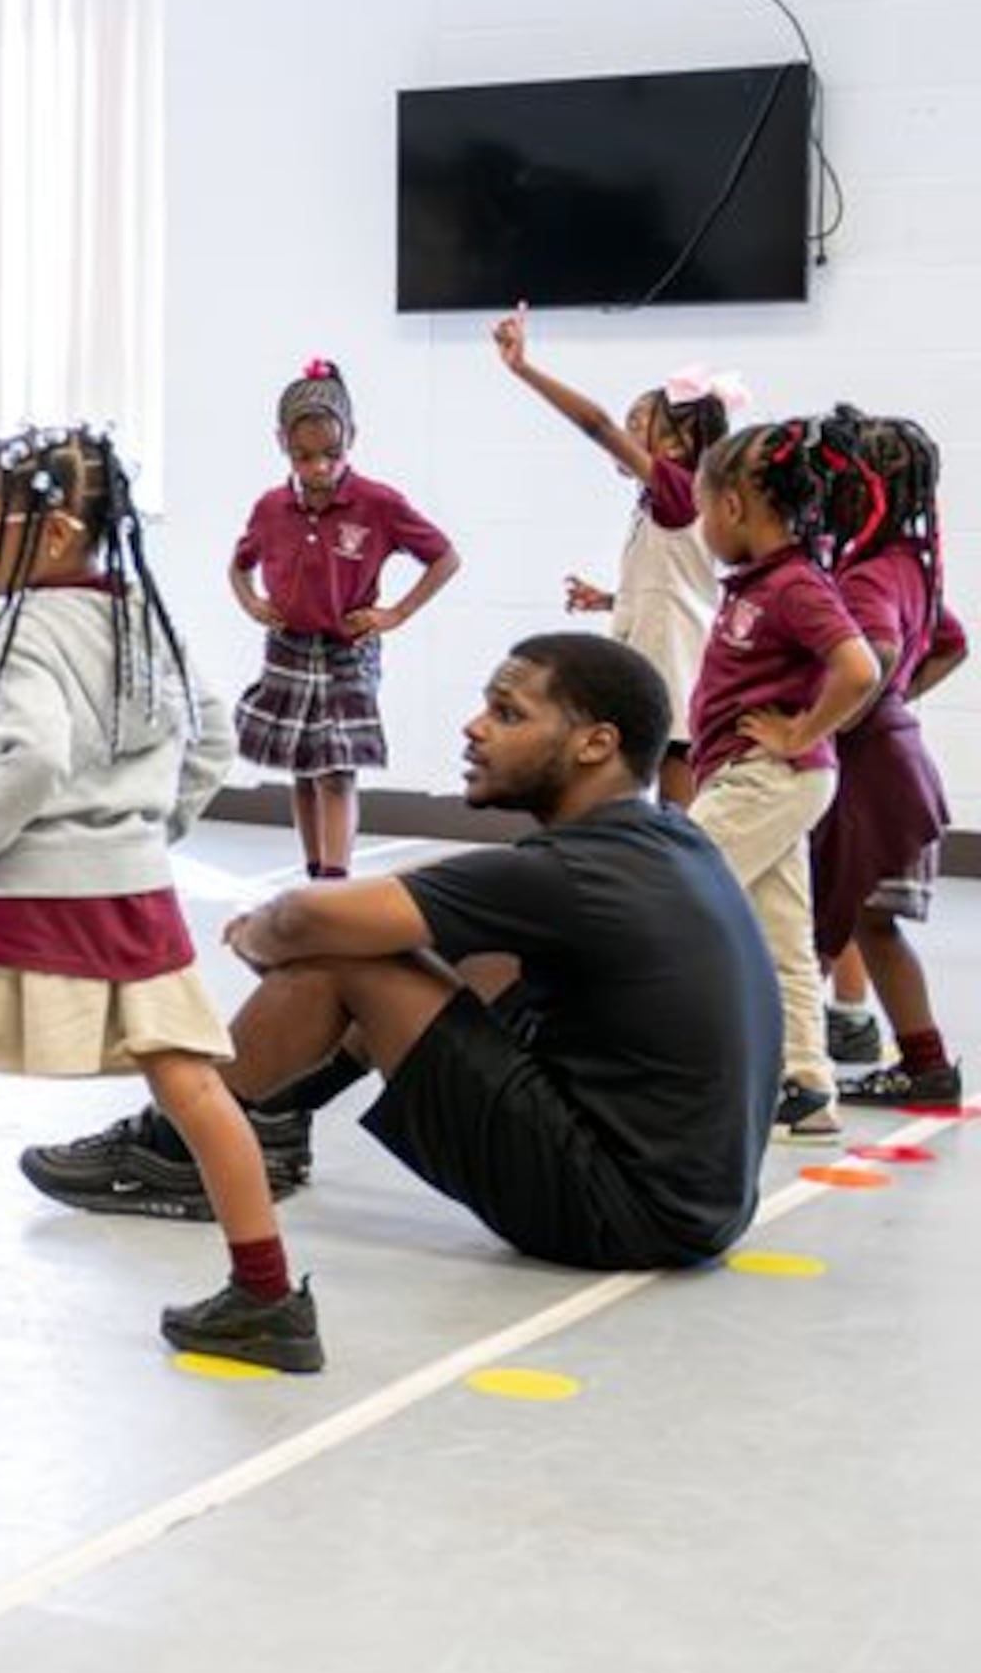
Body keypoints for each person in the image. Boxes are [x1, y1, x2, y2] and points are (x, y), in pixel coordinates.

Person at [0, 426, 316, 1371]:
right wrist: (154, 829)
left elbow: (30, 753)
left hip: (24, 893)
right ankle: (267, 1294)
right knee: (194, 1083)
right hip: (134, 893)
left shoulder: (19, 627)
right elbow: (210, 732)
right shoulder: (143, 614)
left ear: (50, 533)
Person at [71, 636, 782, 1269]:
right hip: (701, 1207)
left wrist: (261, 933)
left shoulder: (567, 872)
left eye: (508, 714)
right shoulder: (666, 838)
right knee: (454, 938)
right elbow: (429, 909)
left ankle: (175, 1148)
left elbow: (301, 919)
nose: (475, 728)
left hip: (618, 1215)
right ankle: (276, 1121)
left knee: (348, 954)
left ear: (594, 743)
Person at [683, 418, 884, 1143]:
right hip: (768, 777)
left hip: (770, 776)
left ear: (735, 506)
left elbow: (860, 667)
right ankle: (806, 1085)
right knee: (782, 937)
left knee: (669, 886)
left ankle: (664, 1065)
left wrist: (802, 731)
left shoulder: (796, 583)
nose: (703, 525)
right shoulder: (764, 580)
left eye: (705, 509)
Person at [491, 310, 733, 805]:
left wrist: (523, 369)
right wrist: (609, 600)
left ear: (675, 444)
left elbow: (594, 424)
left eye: (637, 424)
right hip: (657, 659)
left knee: (675, 791)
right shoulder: (660, 502)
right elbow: (673, 580)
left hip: (678, 670)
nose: (623, 434)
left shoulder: (679, 489)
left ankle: (676, 874)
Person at [230, 359, 459, 881]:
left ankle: (336, 879)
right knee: (304, 769)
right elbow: (238, 564)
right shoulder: (270, 508)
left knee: (337, 768)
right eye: (304, 456)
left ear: (351, 438)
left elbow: (444, 557)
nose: (318, 468)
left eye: (331, 455)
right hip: (288, 649)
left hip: (346, 651)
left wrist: (396, 612)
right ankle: (314, 873)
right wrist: (251, 602)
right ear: (282, 444)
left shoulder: (378, 503)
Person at [809, 410, 962, 1110]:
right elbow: (951, 642)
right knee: (867, 922)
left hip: (875, 773)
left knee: (835, 920)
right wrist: (899, 697)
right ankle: (925, 1064)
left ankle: (788, 1060)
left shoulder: (869, 573)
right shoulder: (911, 564)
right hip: (895, 758)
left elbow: (876, 661)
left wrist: (807, 726)